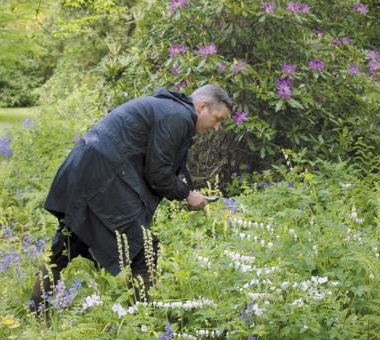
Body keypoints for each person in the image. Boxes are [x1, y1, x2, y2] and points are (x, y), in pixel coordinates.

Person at [30, 84, 233, 311]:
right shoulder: (178, 117)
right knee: (145, 247)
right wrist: (187, 194)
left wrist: (183, 191)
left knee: (69, 239)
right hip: (102, 176)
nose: (216, 128)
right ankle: (141, 321)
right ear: (202, 106)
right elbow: (158, 173)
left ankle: (37, 312)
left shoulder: (170, 110)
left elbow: (152, 166)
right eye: (218, 119)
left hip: (90, 170)